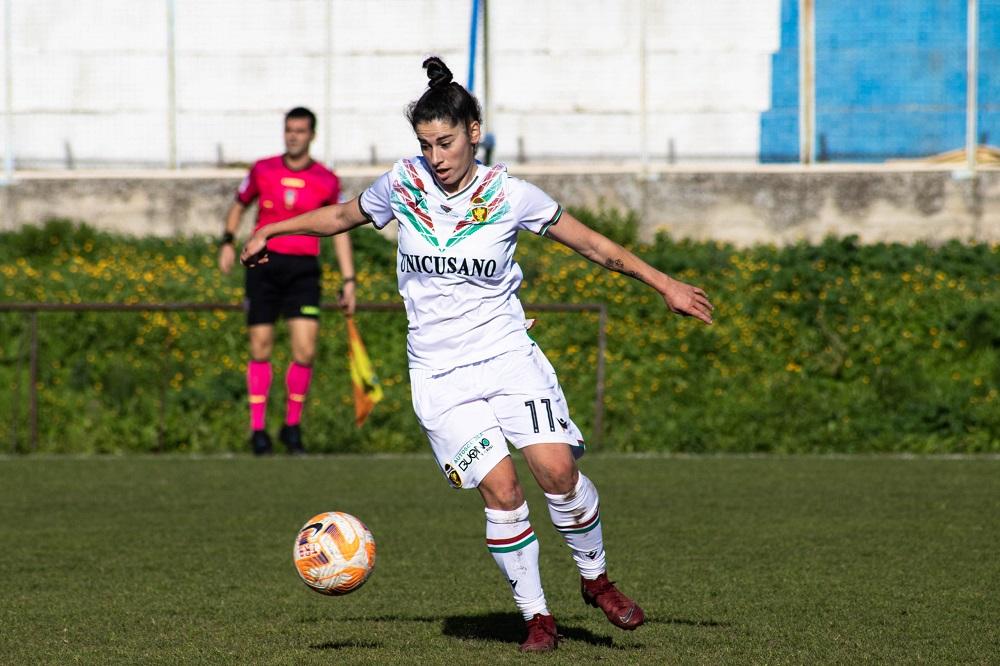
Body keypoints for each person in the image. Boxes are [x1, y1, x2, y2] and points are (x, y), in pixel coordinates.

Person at [241, 59, 713, 651]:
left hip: (507, 355)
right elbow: (342, 216)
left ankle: (595, 580)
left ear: (473, 131)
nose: (436, 157)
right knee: (504, 490)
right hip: (439, 374)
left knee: (558, 472)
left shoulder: (510, 196)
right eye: (425, 144)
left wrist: (663, 282)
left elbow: (591, 243)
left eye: (445, 142)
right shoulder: (404, 184)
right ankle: (536, 616)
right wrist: (271, 230)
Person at [219, 106, 356, 455]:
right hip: (263, 267)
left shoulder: (326, 179)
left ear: (312, 135)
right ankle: (258, 432)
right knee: (260, 346)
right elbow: (238, 204)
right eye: (289, 130)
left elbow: (340, 227)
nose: (293, 135)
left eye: (300, 130)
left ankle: (292, 427)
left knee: (305, 350)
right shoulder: (263, 170)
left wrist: (349, 278)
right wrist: (227, 240)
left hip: (303, 270)